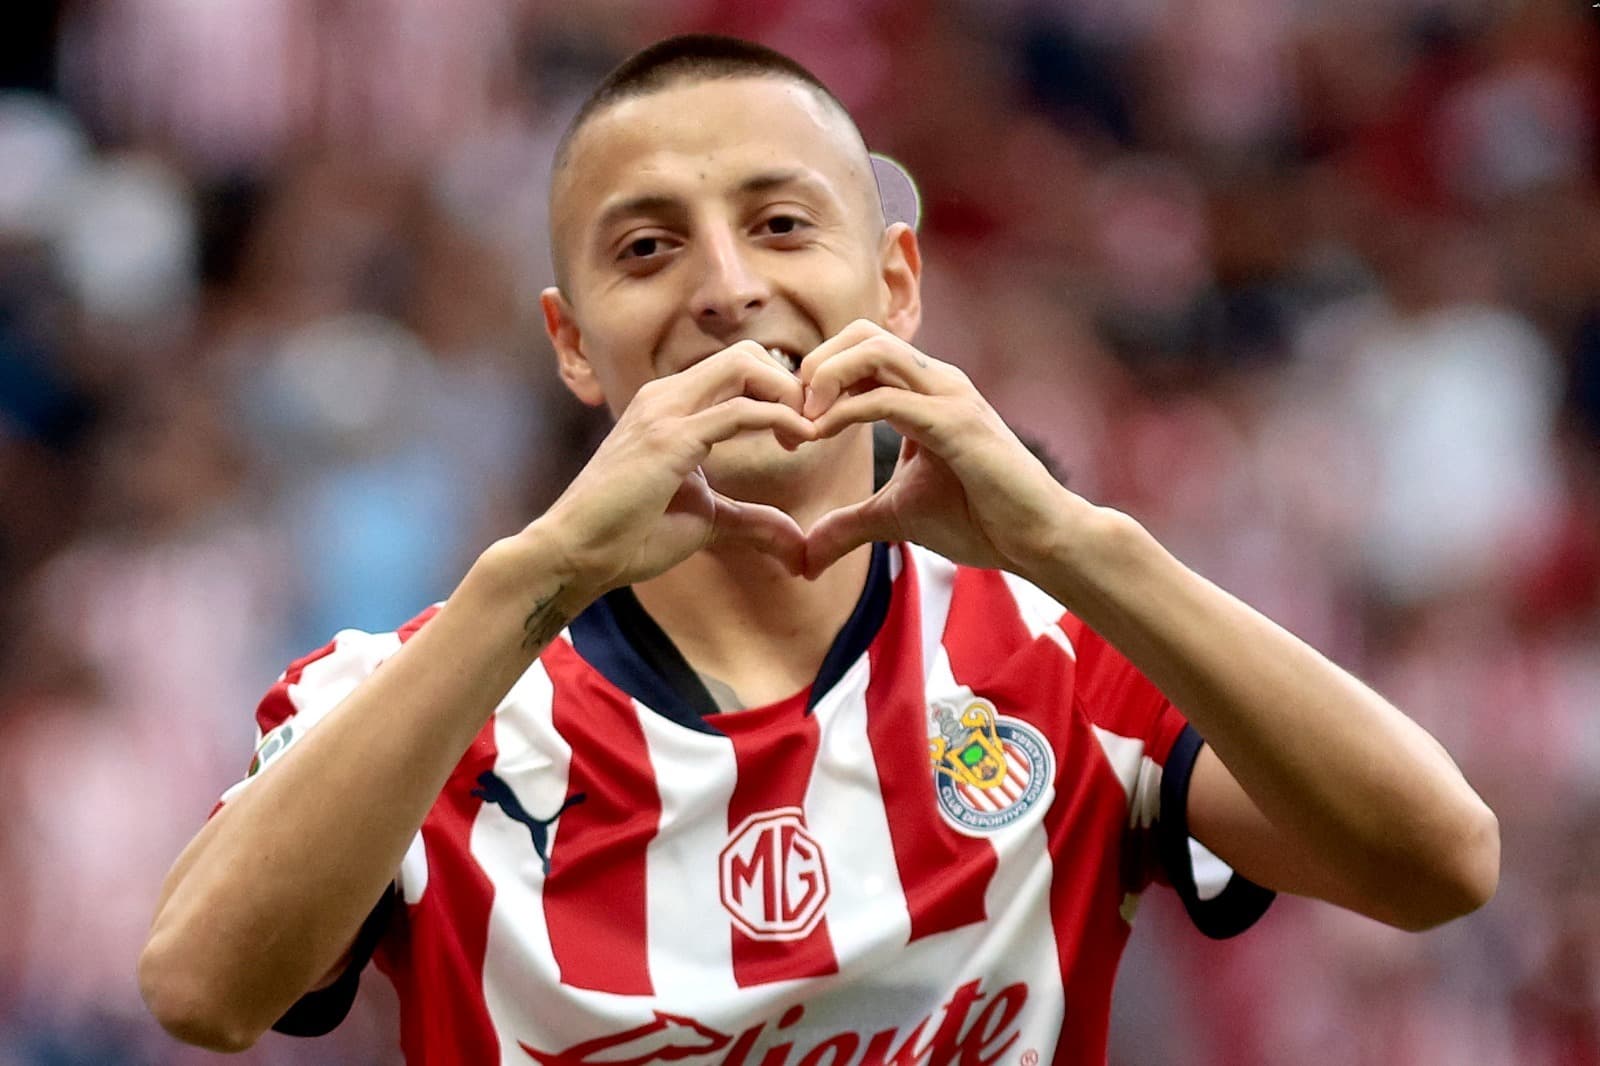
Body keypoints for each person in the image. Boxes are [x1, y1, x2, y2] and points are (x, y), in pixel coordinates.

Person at [137, 34, 1499, 1066]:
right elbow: (200, 993)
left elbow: (1440, 862)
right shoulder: (412, 696)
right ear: (569, 343)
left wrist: (1075, 542)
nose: (728, 286)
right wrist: (529, 577)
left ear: (896, 279)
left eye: (783, 224)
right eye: (649, 247)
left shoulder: (1063, 653)